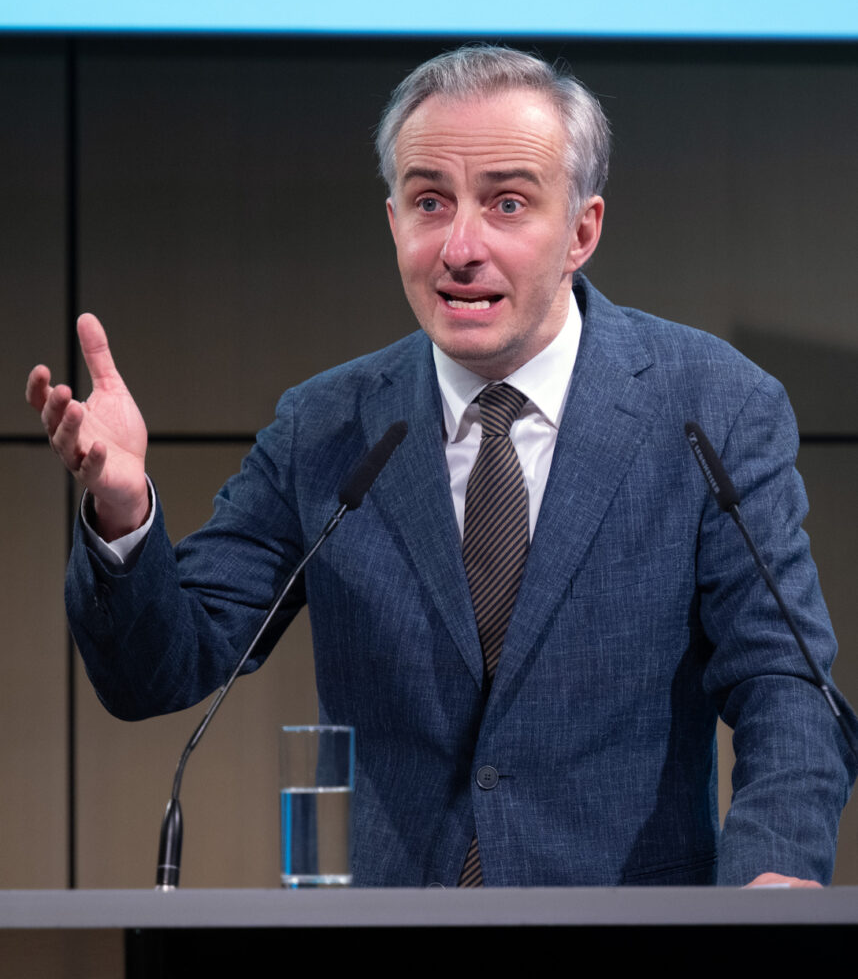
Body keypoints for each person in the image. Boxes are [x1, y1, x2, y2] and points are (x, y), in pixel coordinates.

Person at [27, 45, 854, 888]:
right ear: (394, 223)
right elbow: (160, 669)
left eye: (507, 203)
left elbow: (785, 682)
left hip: (634, 934)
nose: (460, 247)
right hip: (396, 934)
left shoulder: (711, 407)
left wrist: (773, 880)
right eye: (430, 202)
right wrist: (123, 513)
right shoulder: (327, 426)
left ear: (582, 231)